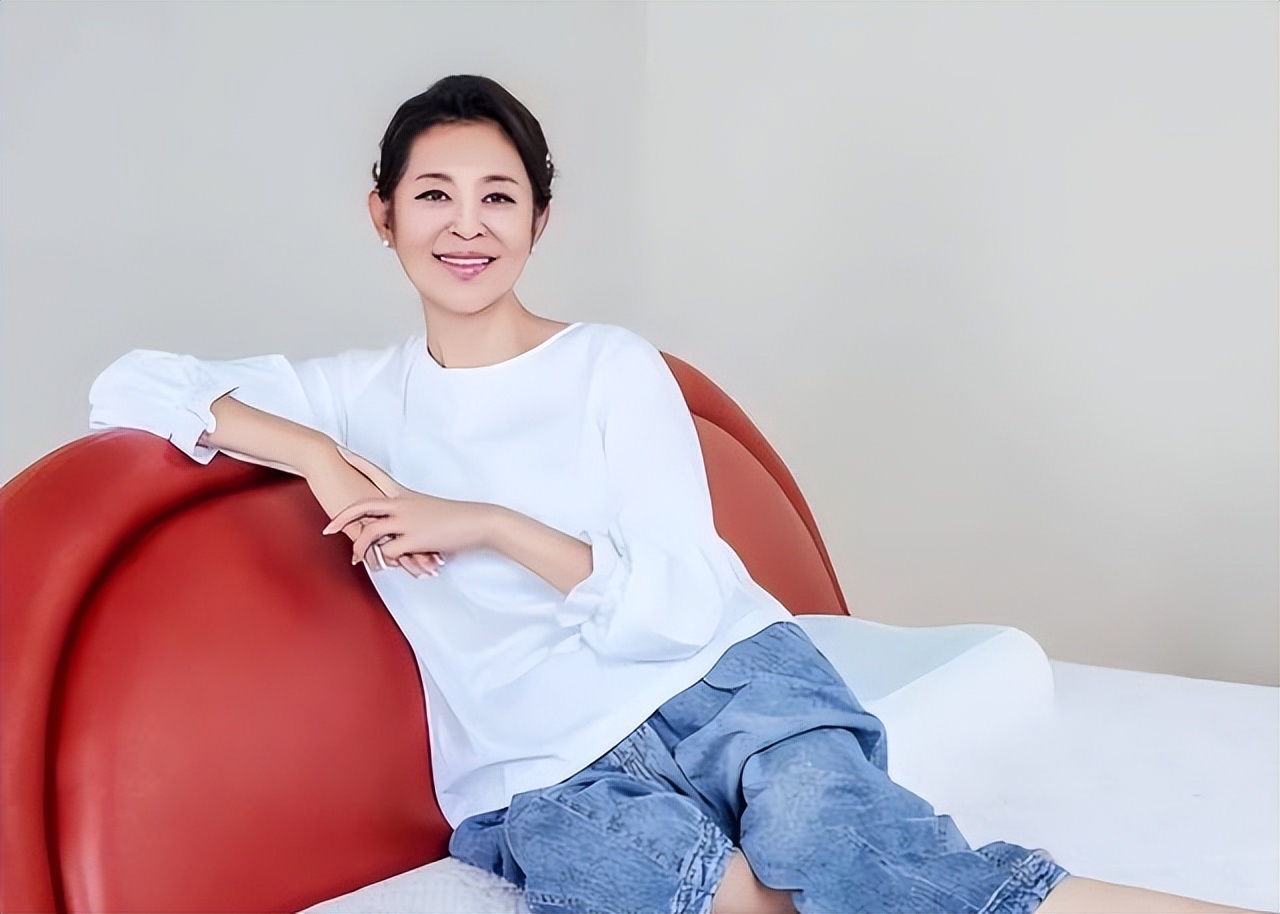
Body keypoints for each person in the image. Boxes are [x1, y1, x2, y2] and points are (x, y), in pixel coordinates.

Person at [87, 75, 1256, 914]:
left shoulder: (610, 366)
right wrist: (320, 455)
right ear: (380, 212)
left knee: (852, 850)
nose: (466, 225)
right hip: (543, 764)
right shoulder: (349, 396)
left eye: (498, 197)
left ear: (538, 220)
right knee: (633, 872)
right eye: (433, 194)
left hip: (722, 680)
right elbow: (127, 384)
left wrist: (487, 522)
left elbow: (685, 597)